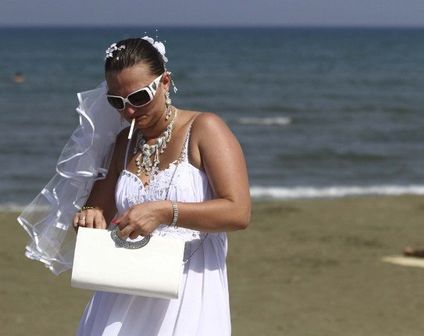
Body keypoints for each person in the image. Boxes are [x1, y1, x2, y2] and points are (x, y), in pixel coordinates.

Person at [20, 36, 251, 335]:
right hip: (122, 292)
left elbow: (239, 211)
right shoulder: (123, 144)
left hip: (188, 292)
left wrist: (166, 212)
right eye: (117, 102)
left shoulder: (205, 129)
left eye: (139, 97)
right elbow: (96, 211)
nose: (129, 111)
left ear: (165, 82)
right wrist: (89, 216)